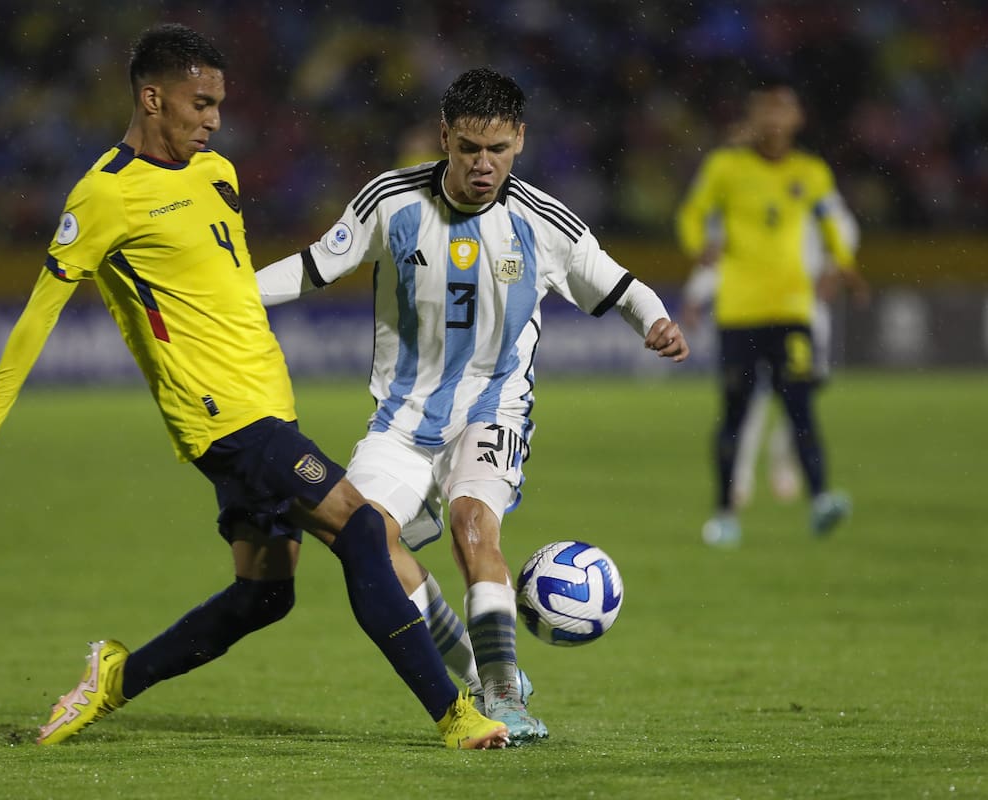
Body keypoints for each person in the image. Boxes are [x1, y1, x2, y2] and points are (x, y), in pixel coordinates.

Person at [0, 24, 510, 751]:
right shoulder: (104, 196)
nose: (212, 119)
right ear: (151, 97)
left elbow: (228, 290)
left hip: (267, 405)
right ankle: (456, 715)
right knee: (363, 529)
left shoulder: (219, 174)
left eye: (219, 104)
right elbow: (36, 316)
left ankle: (115, 678)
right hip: (223, 421)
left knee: (264, 594)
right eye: (199, 103)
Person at [254, 67, 689, 744]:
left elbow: (622, 285)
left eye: (498, 150)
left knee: (472, 528)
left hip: (494, 409)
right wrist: (233, 298)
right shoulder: (392, 201)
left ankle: (504, 694)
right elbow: (314, 266)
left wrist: (657, 323)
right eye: (468, 149)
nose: (483, 165)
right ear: (444, 139)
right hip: (401, 420)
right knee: (361, 538)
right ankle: (475, 661)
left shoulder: (543, 222)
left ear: (519, 140)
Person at [675, 74, 868, 547]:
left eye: (784, 109)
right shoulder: (725, 168)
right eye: (768, 109)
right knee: (736, 413)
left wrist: (845, 266)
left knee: (800, 406)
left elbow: (832, 225)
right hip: (740, 312)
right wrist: (698, 247)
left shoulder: (812, 173)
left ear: (798, 119)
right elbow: (691, 213)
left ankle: (821, 498)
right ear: (754, 118)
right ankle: (724, 513)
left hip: (792, 309)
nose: (775, 118)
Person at [681, 182, 866, 509]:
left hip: (802, 309)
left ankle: (783, 460)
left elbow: (845, 228)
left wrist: (833, 270)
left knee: (799, 398)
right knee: (749, 400)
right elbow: (722, 249)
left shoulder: (806, 180)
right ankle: (740, 479)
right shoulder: (738, 186)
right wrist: (697, 293)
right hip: (750, 311)